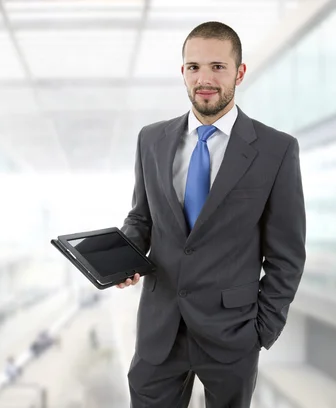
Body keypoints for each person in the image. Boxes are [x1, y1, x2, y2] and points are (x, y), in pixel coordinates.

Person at [118, 21, 306, 408]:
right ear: (182, 72)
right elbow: (142, 218)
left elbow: (286, 254)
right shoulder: (151, 139)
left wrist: (262, 330)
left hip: (232, 333)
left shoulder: (276, 149)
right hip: (159, 327)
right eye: (194, 67)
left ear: (239, 72)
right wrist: (124, 255)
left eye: (218, 67)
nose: (204, 79)